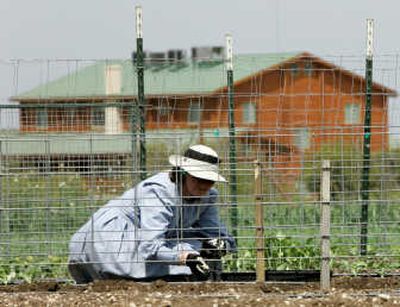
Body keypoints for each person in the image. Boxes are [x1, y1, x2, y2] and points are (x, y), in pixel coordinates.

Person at [68, 144, 236, 283]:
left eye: (209, 181)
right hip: (110, 238)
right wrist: (186, 257)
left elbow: (214, 232)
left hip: (147, 237)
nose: (204, 186)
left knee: (204, 246)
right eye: (198, 179)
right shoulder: (159, 192)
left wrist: (221, 244)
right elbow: (150, 246)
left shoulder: (207, 196)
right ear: (183, 174)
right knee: (182, 253)